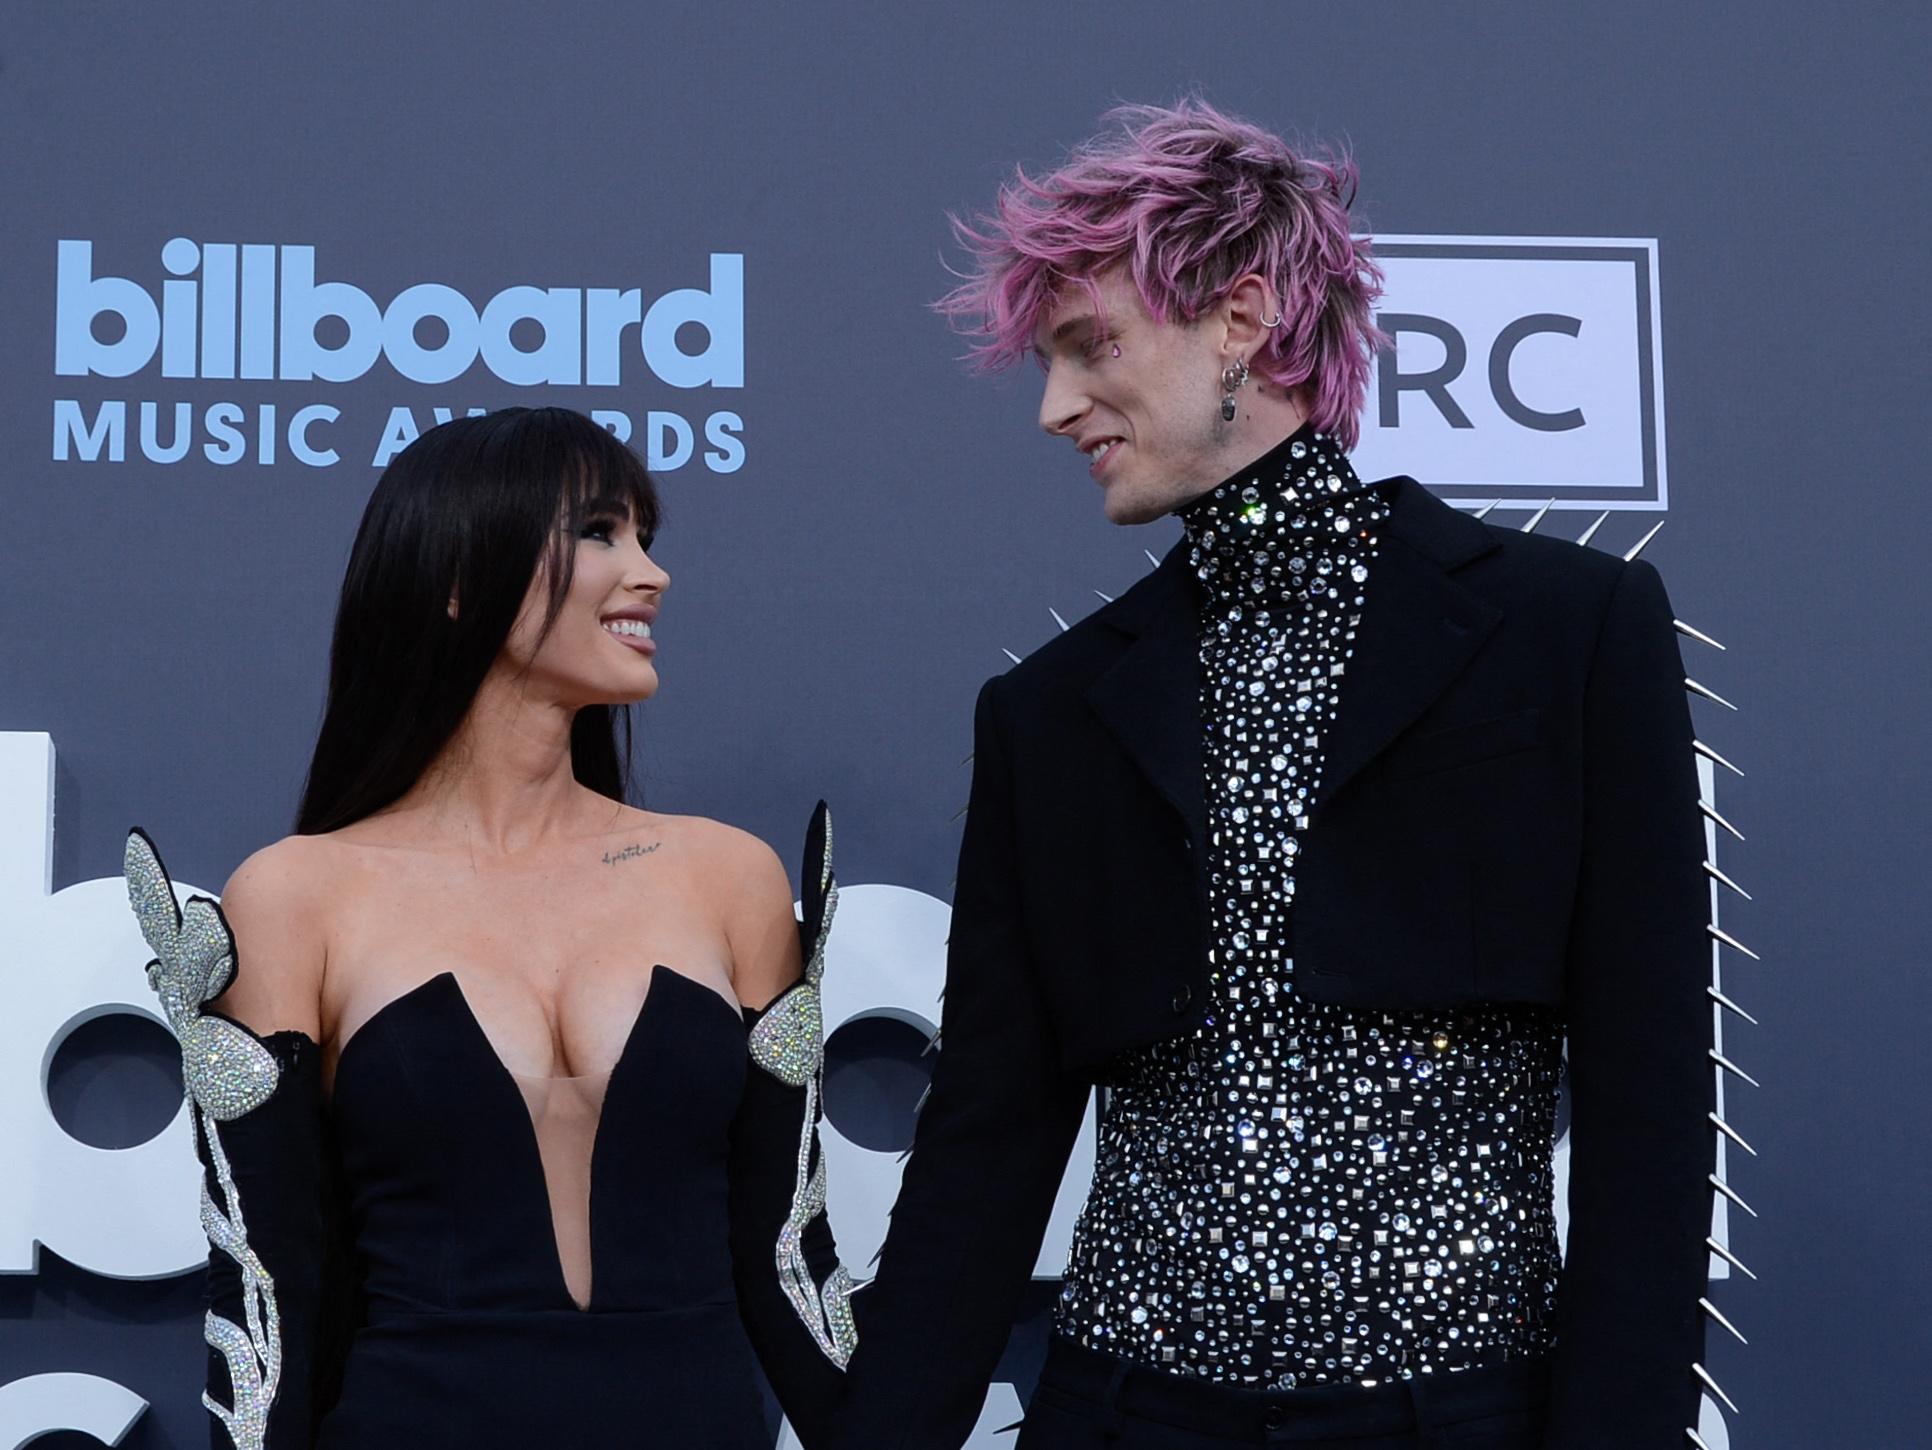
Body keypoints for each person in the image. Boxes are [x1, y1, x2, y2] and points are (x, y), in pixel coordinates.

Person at [831, 102, 1727, 1449]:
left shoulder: (1568, 630)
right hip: (1126, 1416)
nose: (1056, 406)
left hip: (1459, 1414)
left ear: (1241, 320)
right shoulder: (1051, 713)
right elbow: (984, 1148)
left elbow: (1650, 1106)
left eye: (1091, 348)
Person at [122, 407, 855, 1448]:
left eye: (647, 537)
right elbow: (267, 1300)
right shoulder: (298, 895)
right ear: (460, 576)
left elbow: (792, 1266)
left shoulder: (727, 876)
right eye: (601, 533)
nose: (651, 573)